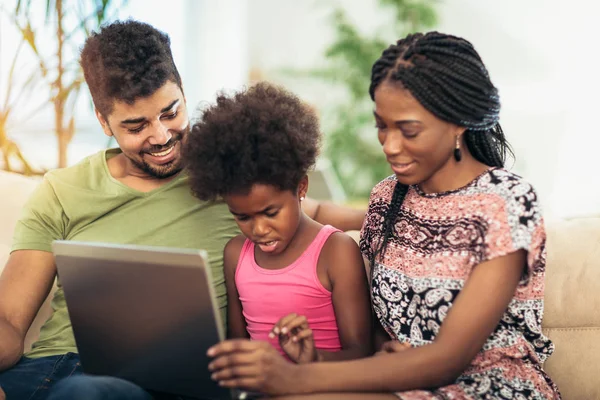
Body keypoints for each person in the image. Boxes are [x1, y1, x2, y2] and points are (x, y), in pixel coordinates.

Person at [0, 20, 365, 400]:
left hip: (154, 384)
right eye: (136, 125)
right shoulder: (60, 191)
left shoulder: (228, 175)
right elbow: (9, 319)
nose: (160, 136)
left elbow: (309, 208)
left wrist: (400, 209)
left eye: (170, 113)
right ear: (103, 120)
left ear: (184, 95)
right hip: (47, 370)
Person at [206, 31, 562, 399]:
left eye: (408, 130)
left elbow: (450, 358)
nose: (389, 146)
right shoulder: (387, 198)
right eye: (381, 125)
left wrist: (294, 378)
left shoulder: (506, 201)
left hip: (491, 388)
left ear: (458, 122)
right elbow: (375, 327)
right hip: (402, 382)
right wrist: (325, 359)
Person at [182, 82, 372, 364]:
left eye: (271, 213)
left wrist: (312, 360)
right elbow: (240, 344)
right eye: (242, 217)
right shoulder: (236, 254)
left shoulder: (336, 251)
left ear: (301, 188)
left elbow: (362, 354)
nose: (258, 229)